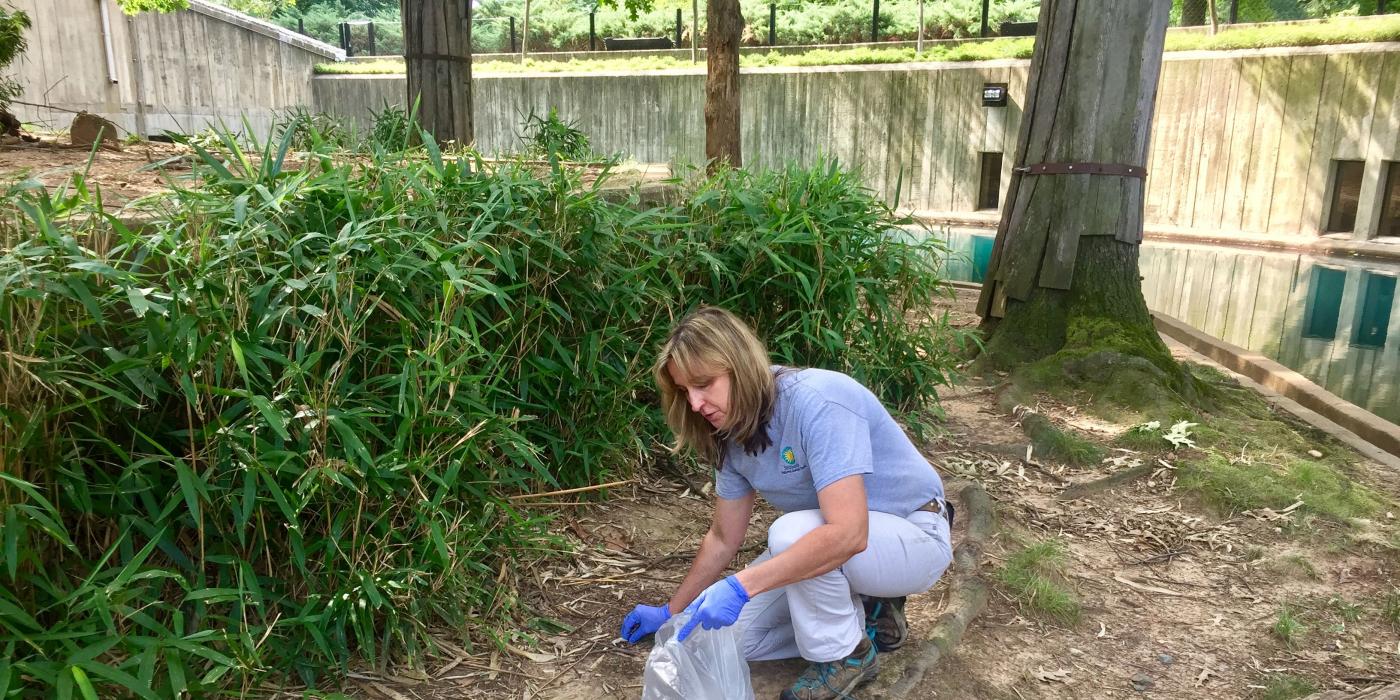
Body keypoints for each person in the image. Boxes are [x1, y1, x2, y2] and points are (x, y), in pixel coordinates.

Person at [620, 307, 954, 700]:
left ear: (740, 365)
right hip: (844, 548)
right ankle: (867, 615)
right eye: (684, 391)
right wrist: (671, 611)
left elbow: (848, 533)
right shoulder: (729, 432)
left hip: (914, 534)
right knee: (729, 640)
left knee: (792, 533)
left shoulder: (818, 401)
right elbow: (723, 537)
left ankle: (847, 655)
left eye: (704, 384)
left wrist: (741, 586)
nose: (694, 404)